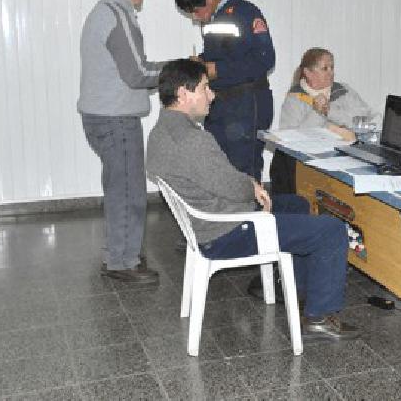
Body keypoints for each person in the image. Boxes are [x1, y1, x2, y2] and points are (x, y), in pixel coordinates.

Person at [147, 59, 363, 341]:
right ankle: (320, 317)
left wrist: (248, 187)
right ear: (183, 93)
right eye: (205, 88)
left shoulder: (161, 132)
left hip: (206, 221)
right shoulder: (191, 140)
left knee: (297, 205)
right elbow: (233, 189)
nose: (212, 95)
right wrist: (251, 189)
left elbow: (218, 179)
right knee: (331, 230)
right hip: (227, 230)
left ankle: (296, 290)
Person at [76, 0, 169, 284]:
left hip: (100, 117)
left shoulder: (101, 13)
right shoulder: (117, 16)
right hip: (116, 120)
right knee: (128, 192)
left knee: (119, 189)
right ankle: (122, 262)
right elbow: (138, 73)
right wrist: (181, 69)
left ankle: (120, 251)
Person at [174, 0, 275, 181]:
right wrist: (200, 63)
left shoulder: (246, 12)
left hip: (248, 104)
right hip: (220, 105)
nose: (196, 17)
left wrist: (217, 70)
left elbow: (265, 60)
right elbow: (220, 56)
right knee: (220, 169)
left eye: (197, 11)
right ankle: (226, 214)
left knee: (243, 174)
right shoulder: (212, 18)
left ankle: (250, 215)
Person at [269, 47, 376, 195]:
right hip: (307, 163)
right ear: (308, 73)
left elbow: (363, 119)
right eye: (325, 68)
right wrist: (317, 112)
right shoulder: (295, 98)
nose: (331, 72)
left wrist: (329, 111)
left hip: (346, 156)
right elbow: (292, 138)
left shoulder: (343, 90)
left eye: (332, 67)